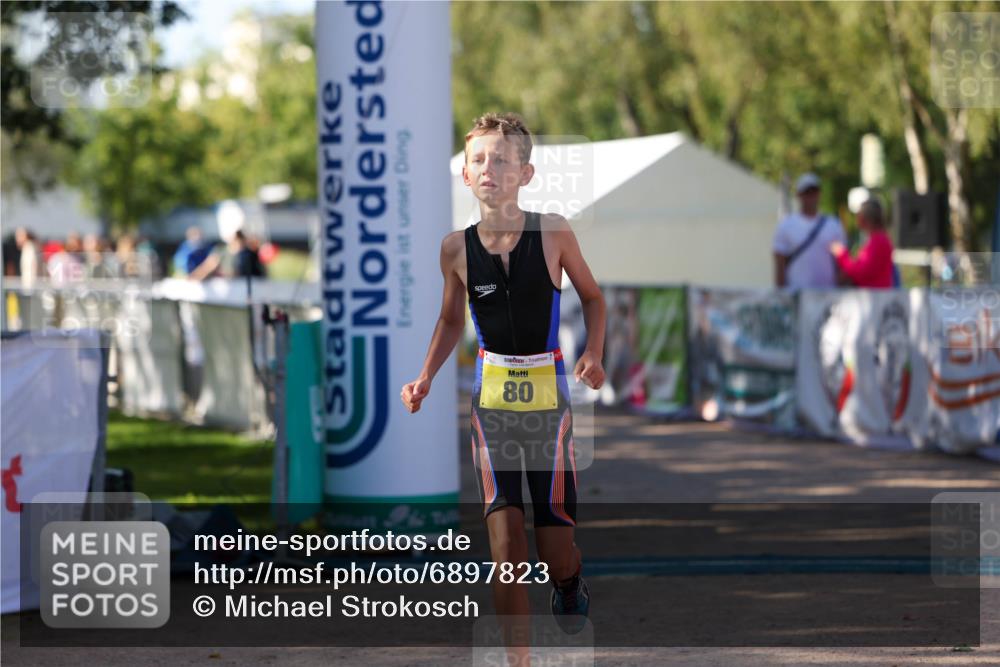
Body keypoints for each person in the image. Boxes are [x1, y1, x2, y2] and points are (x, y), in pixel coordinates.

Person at [400, 112, 606, 655]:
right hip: (491, 411)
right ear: (466, 175)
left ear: (525, 173)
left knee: (554, 551)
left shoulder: (553, 232)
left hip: (549, 409)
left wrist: (594, 352)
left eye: (501, 159)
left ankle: (568, 580)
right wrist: (425, 376)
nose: (489, 167)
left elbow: (593, 297)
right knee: (506, 549)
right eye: (478, 159)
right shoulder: (455, 249)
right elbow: (450, 321)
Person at [773, 172, 847, 289]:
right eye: (807, 192)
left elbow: (842, 259)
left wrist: (840, 287)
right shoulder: (786, 226)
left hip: (827, 293)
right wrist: (781, 292)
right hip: (796, 293)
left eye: (814, 191)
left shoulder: (833, 225)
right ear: (799, 195)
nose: (811, 196)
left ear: (819, 194)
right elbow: (779, 261)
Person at [829, 198, 895, 288]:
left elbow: (861, 272)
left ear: (865, 218)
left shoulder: (879, 241)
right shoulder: (878, 239)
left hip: (875, 295)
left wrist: (842, 255)